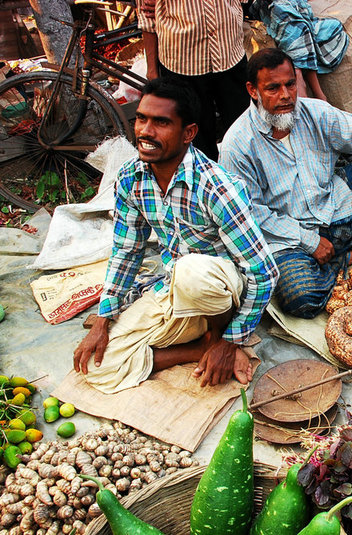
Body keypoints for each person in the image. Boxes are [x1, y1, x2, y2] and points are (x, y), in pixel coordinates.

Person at [73, 77, 279, 394]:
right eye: (141, 118)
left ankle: (220, 339)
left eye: (161, 123)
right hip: (174, 291)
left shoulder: (216, 186)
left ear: (188, 133)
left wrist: (230, 339)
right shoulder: (130, 178)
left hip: (221, 293)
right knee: (99, 366)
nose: (145, 131)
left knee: (192, 270)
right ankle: (199, 349)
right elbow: (126, 253)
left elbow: (264, 272)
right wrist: (102, 321)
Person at [219, 48, 352, 319]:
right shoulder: (237, 145)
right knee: (300, 297)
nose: (285, 95)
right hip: (290, 238)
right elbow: (252, 215)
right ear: (253, 90)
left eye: (290, 84)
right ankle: (344, 261)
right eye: (273, 88)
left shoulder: (316, 112)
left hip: (334, 212)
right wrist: (310, 241)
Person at [137, 0, 251, 160]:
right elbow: (146, 18)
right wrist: (152, 71)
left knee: (243, 131)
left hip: (229, 51)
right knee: (196, 141)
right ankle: (207, 181)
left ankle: (246, 180)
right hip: (183, 61)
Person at [249, 0, 349, 102]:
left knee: (328, 27)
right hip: (267, 8)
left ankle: (300, 73)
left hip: (291, 7)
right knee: (285, 14)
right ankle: (312, 88)